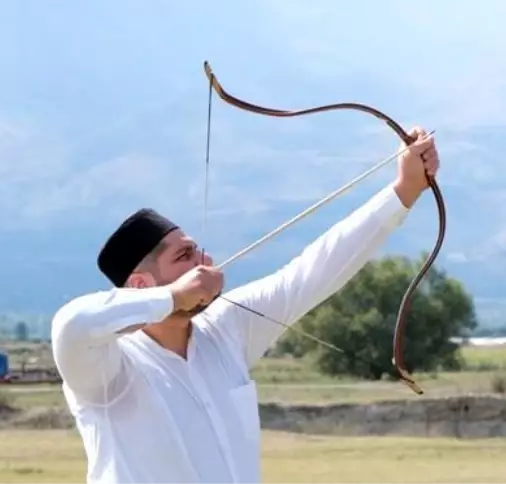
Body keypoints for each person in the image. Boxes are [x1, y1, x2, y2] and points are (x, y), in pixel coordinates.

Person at [50, 129, 439, 483]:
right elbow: (70, 324)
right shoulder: (107, 370)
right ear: (139, 285)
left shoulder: (226, 327)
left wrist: (404, 190)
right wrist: (173, 298)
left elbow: (312, 271)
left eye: (198, 249)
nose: (204, 261)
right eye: (185, 256)